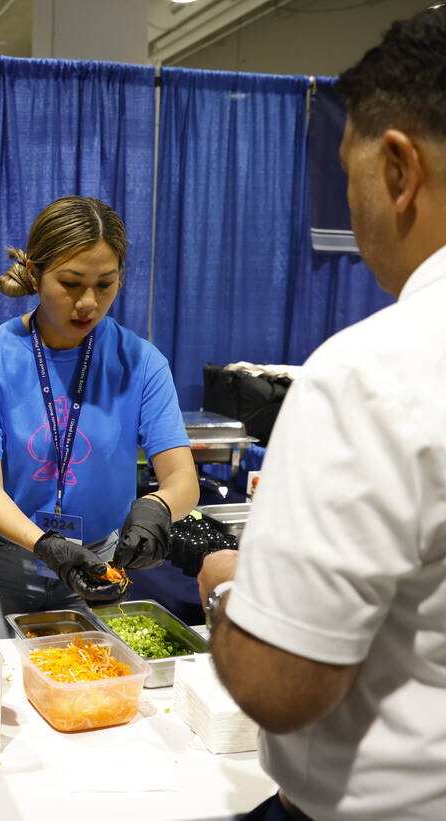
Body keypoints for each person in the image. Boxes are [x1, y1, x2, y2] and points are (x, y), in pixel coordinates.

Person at [198, 9, 446, 819]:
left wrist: (229, 590)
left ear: (400, 169)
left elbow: (280, 684)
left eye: (352, 174)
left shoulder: (371, 372)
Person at [0, 196, 199, 638]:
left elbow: (183, 478)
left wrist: (157, 507)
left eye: (105, 284)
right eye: (70, 283)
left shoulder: (141, 362)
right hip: (3, 565)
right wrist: (46, 546)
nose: (88, 302)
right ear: (34, 273)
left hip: (97, 566)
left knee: (88, 695)